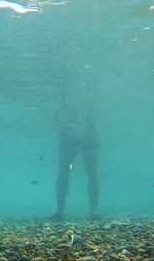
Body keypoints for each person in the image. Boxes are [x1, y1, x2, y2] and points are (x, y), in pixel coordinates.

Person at [50, 86, 101, 221]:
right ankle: (63, 211)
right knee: (88, 171)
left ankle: (64, 211)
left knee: (85, 171)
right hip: (79, 128)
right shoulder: (89, 85)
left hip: (76, 128)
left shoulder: (64, 85)